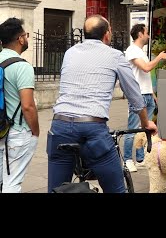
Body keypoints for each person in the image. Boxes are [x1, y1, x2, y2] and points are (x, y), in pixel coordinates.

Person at [46, 15, 157, 193]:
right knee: (117, 190)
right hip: (92, 127)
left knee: (56, 190)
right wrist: (146, 123)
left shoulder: (70, 52)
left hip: (60, 126)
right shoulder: (115, 55)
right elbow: (135, 95)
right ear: (107, 35)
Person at [0, 18, 39, 193]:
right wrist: (35, 131)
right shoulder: (22, 66)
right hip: (16, 132)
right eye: (26, 35)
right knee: (12, 183)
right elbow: (28, 105)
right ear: (20, 39)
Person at [123, 23, 166, 172]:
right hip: (137, 96)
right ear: (140, 34)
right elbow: (146, 68)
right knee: (133, 129)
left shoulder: (141, 51)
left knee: (144, 129)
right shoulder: (131, 50)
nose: (148, 36)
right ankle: (128, 160)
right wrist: (159, 57)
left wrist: (153, 95)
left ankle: (140, 158)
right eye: (147, 33)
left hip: (146, 95)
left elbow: (144, 77)